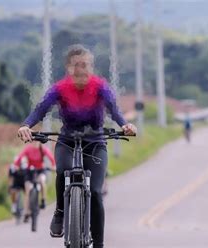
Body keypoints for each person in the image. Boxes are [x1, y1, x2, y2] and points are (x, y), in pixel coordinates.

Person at [17, 44, 137, 248]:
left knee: (97, 193)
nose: (81, 69)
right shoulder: (59, 89)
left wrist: (125, 125)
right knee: (63, 171)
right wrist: (26, 125)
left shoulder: (100, 87)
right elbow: (40, 110)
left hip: (95, 142)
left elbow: (114, 111)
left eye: (86, 64)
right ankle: (60, 211)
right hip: (67, 140)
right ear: (68, 68)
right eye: (76, 65)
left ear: (91, 67)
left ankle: (98, 243)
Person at [13, 141, 55, 221]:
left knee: (42, 181)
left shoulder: (43, 149)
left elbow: (51, 157)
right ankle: (26, 212)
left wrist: (53, 165)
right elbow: (20, 157)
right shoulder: (28, 149)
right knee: (27, 190)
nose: (35, 143)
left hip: (40, 170)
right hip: (30, 171)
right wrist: (16, 165)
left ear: (39, 142)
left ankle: (43, 200)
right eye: (34, 141)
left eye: (37, 141)